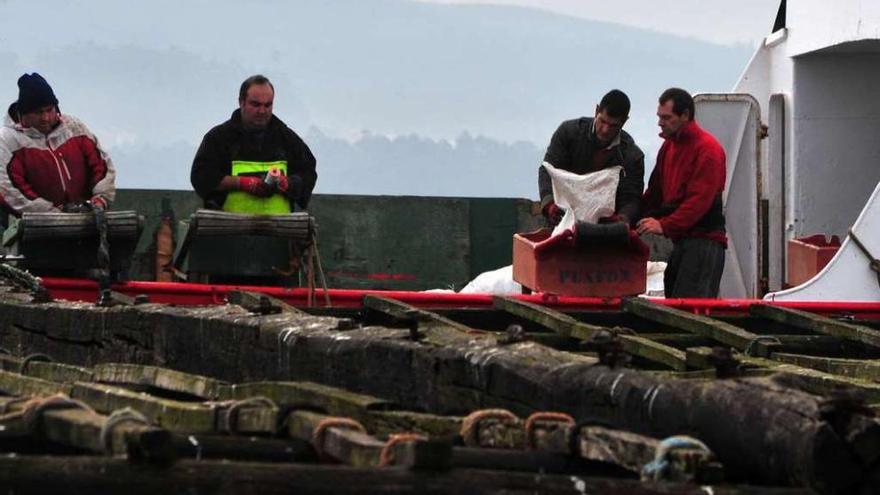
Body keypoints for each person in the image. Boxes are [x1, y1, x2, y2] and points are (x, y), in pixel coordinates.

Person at [637, 88, 727, 298]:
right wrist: (629, 219)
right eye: (659, 117)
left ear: (685, 115)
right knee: (674, 299)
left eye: (666, 117)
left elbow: (698, 202)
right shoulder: (668, 147)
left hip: (705, 242)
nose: (660, 123)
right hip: (682, 242)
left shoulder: (708, 150)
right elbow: (654, 193)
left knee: (689, 309)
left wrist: (664, 225)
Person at [191, 74, 317, 214]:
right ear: (241, 102)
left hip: (280, 231)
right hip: (228, 231)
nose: (262, 111)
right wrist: (242, 183)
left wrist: (288, 183)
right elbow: (201, 176)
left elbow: (308, 173)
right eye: (255, 104)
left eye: (268, 105)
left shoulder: (287, 139)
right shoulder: (219, 139)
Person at [0, 73, 116, 218]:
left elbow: (100, 165)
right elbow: (7, 188)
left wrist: (100, 198)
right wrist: (52, 214)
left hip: (86, 215)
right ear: (24, 114)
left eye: (49, 110)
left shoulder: (74, 127)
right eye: (38, 113)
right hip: (35, 226)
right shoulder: (7, 140)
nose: (46, 118)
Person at [539, 89, 644, 227]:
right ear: (596, 111)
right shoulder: (569, 133)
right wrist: (549, 205)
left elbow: (631, 198)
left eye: (613, 126)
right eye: (602, 121)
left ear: (624, 122)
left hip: (606, 229)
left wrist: (623, 217)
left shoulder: (631, 156)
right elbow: (548, 170)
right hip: (562, 218)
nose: (605, 130)